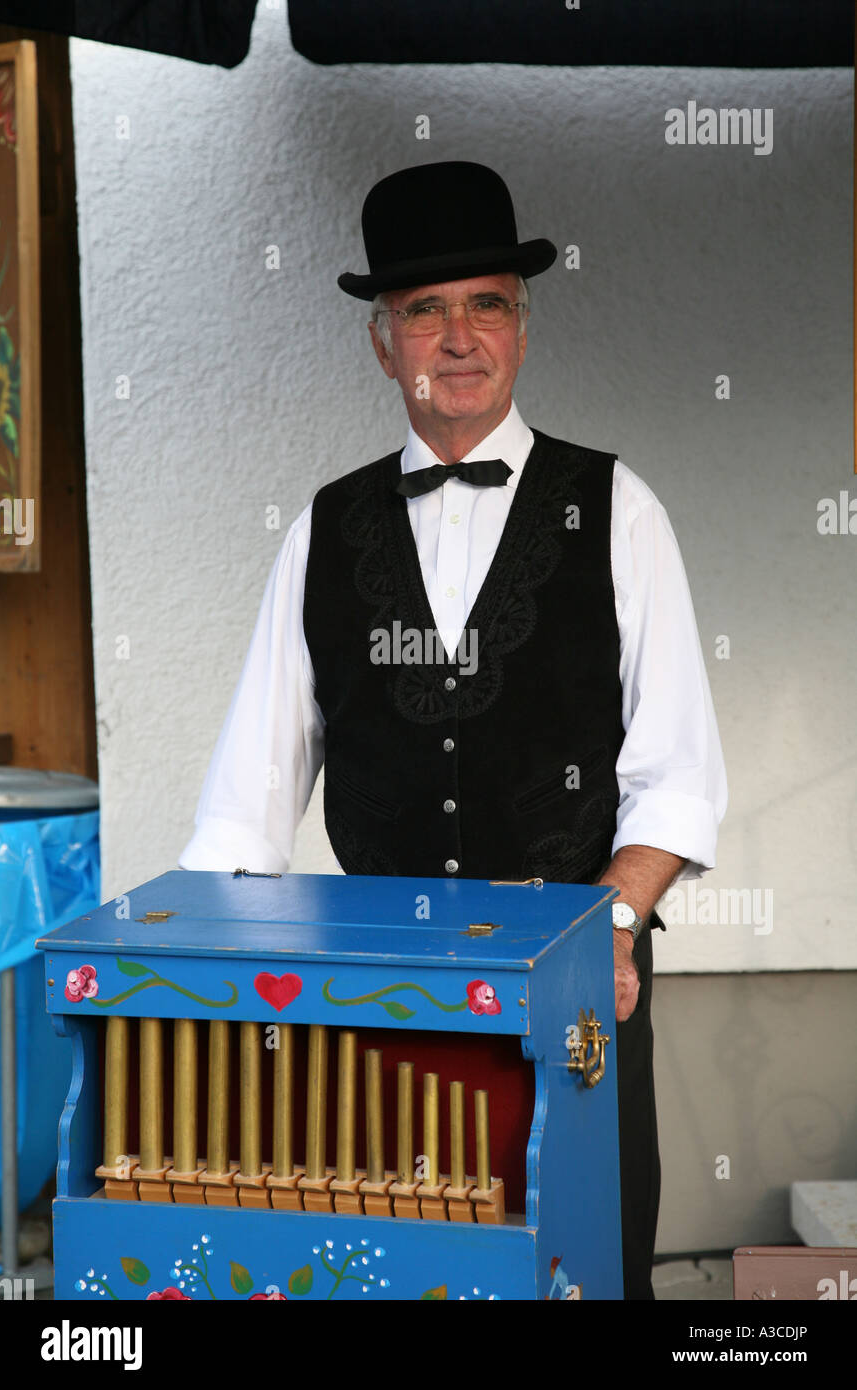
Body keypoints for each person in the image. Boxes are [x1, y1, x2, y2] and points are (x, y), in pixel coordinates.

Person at [179, 160, 727, 1299]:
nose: (458, 336)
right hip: (378, 1007)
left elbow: (675, 777)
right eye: (424, 310)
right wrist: (218, 998)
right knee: (393, 1275)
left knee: (580, 1270)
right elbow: (245, 803)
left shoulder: (617, 508)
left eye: (486, 303)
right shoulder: (321, 532)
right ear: (384, 343)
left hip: (575, 988)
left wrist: (612, 930)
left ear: (521, 328)